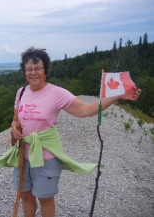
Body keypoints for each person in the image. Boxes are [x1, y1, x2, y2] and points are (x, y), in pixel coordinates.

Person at [8, 47, 141, 217]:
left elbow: (86, 110)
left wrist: (115, 97)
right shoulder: (21, 92)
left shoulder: (56, 93)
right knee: (25, 196)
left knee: (45, 199)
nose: (33, 73)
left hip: (46, 157)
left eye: (38, 68)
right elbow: (16, 119)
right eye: (29, 69)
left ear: (46, 71)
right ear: (24, 71)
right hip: (22, 155)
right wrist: (13, 126)